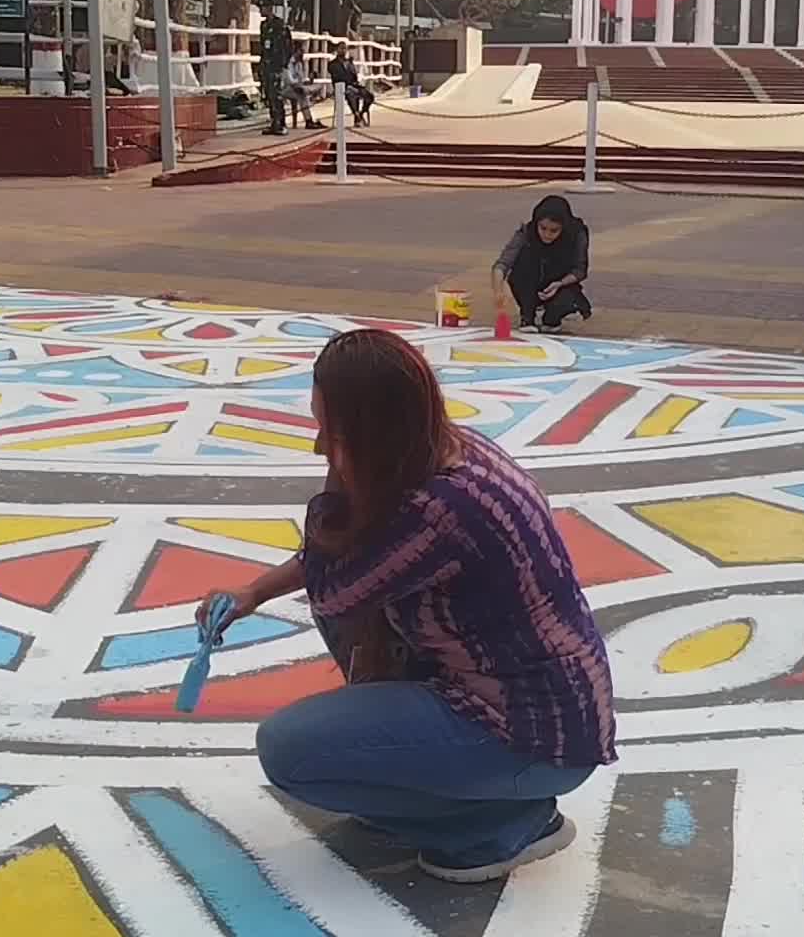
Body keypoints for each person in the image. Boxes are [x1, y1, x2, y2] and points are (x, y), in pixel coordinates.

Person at [198, 329, 615, 884]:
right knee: (350, 676)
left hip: (533, 734)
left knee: (291, 753)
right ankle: (471, 795)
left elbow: (334, 583)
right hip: (551, 712)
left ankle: (496, 828)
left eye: (333, 432)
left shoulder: (440, 510)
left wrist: (333, 487)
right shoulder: (448, 449)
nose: (320, 446)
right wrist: (256, 592)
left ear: (371, 431)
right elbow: (360, 554)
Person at [491, 194, 593, 332]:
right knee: (522, 263)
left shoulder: (576, 234)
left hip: (561, 282)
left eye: (554, 230)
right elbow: (502, 264)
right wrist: (498, 291)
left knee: (561, 307)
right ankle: (527, 315)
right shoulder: (527, 232)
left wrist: (560, 283)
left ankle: (552, 318)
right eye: (543, 228)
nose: (547, 235)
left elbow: (580, 270)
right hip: (531, 281)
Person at [259, 9, 293, 136]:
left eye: (264, 7)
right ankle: (274, 122)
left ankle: (281, 123)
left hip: (276, 65)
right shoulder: (264, 25)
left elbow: (288, 46)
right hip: (267, 65)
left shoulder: (280, 25)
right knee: (269, 95)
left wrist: (283, 65)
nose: (262, 10)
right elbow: (263, 47)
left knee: (277, 95)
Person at [328, 46, 375, 127]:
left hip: (353, 85)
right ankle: (356, 116)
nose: (343, 50)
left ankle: (361, 113)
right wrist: (348, 86)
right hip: (341, 87)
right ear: (337, 50)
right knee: (351, 94)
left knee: (369, 96)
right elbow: (336, 78)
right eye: (341, 48)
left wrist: (355, 81)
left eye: (344, 48)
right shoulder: (332, 64)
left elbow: (354, 76)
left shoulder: (349, 62)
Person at [285, 56, 323, 130]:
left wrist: (309, 80)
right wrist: (299, 84)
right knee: (301, 95)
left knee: (304, 92)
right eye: (300, 52)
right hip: (286, 88)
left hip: (297, 86)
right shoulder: (288, 64)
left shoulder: (299, 64)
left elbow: (301, 79)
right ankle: (309, 120)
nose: (302, 54)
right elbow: (290, 81)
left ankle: (309, 120)